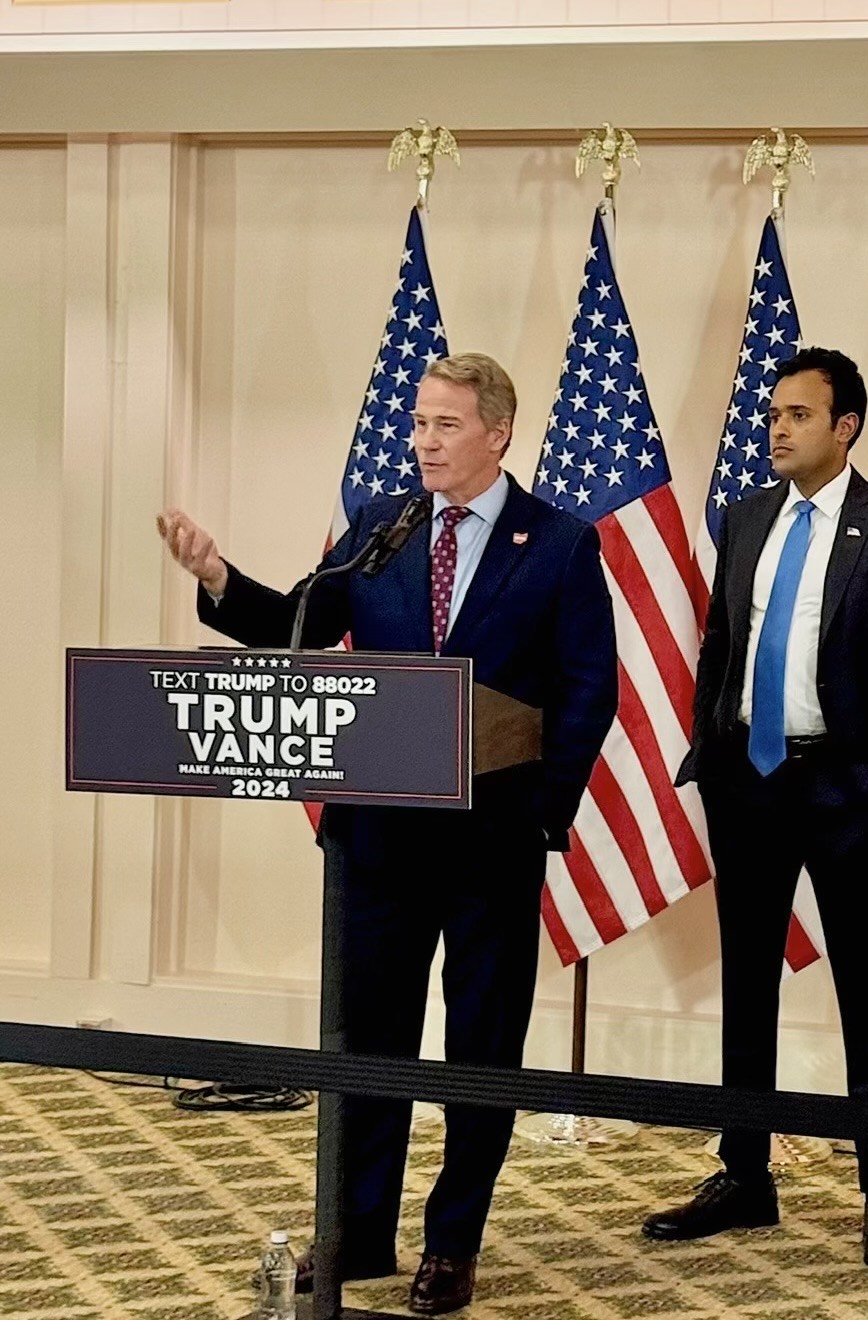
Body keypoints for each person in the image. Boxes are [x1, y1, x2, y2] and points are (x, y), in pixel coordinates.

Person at [158, 352, 618, 1315]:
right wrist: (216, 577)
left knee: (480, 1050)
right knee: (370, 1044)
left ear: (497, 433)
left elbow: (588, 691)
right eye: (417, 424)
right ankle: (360, 1231)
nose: (423, 442)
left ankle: (452, 1244)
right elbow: (297, 626)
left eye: (444, 425)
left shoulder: (562, 545)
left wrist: (543, 811)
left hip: (491, 841)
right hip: (376, 843)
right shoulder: (382, 525)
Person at [641, 347, 868, 1271]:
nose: (776, 428)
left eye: (796, 414)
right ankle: (745, 1174)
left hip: (846, 789)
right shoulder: (745, 519)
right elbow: (721, 646)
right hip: (747, 785)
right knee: (745, 983)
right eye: (772, 413)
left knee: (864, 992)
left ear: (845, 426)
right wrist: (706, 749)